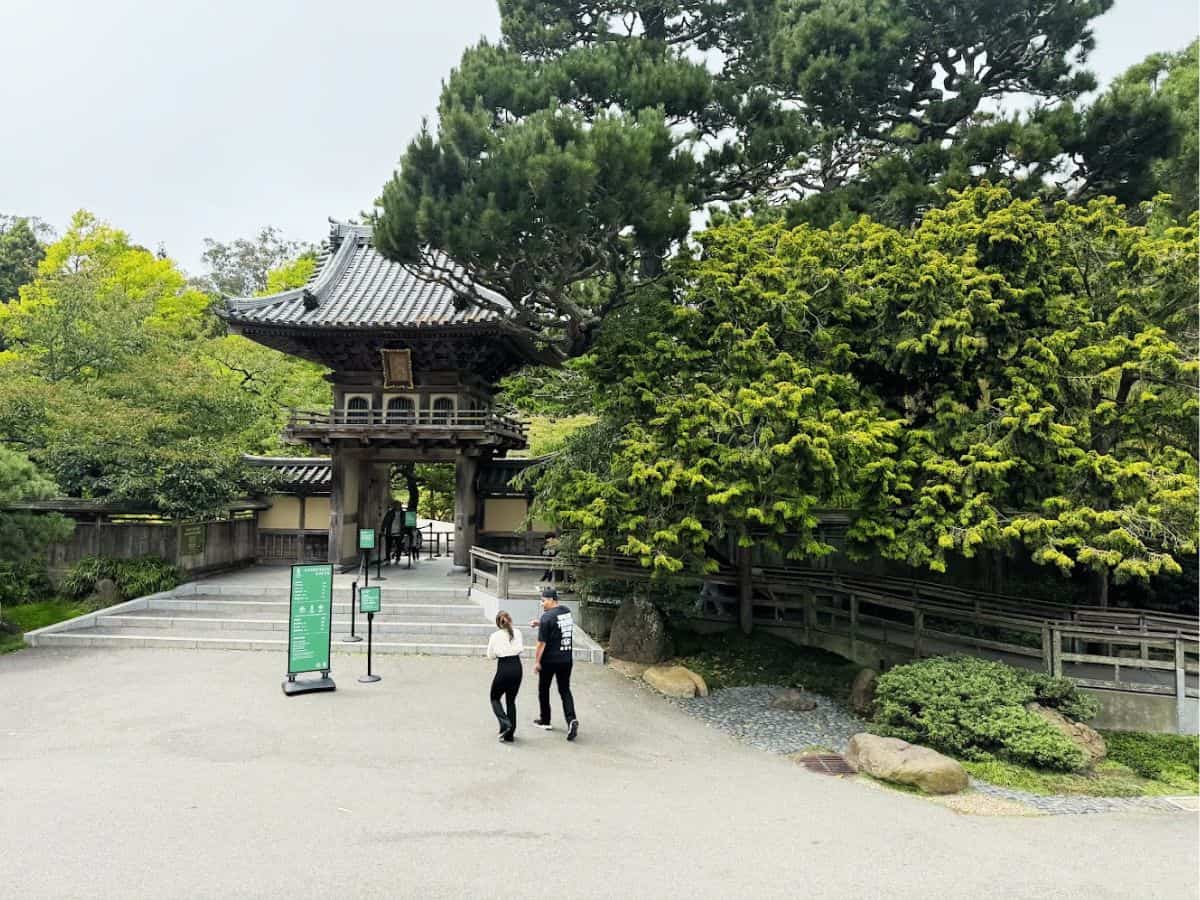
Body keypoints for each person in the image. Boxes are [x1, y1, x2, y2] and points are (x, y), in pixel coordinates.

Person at [529, 586, 578, 741]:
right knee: (565, 690)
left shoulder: (546, 618)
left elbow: (541, 644)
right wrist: (540, 623)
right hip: (566, 659)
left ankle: (545, 720)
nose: (541, 604)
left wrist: (537, 662)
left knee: (543, 689)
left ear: (551, 600)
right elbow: (556, 625)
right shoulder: (566, 612)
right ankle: (571, 720)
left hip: (549, 660)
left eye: (543, 601)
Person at [486, 611, 523, 742]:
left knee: (494, 697)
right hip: (517, 667)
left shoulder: (495, 636)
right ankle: (510, 734)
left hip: (504, 668)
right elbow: (520, 648)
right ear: (510, 620)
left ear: (498, 623)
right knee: (511, 701)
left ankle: (505, 723)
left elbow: (490, 656)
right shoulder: (518, 633)